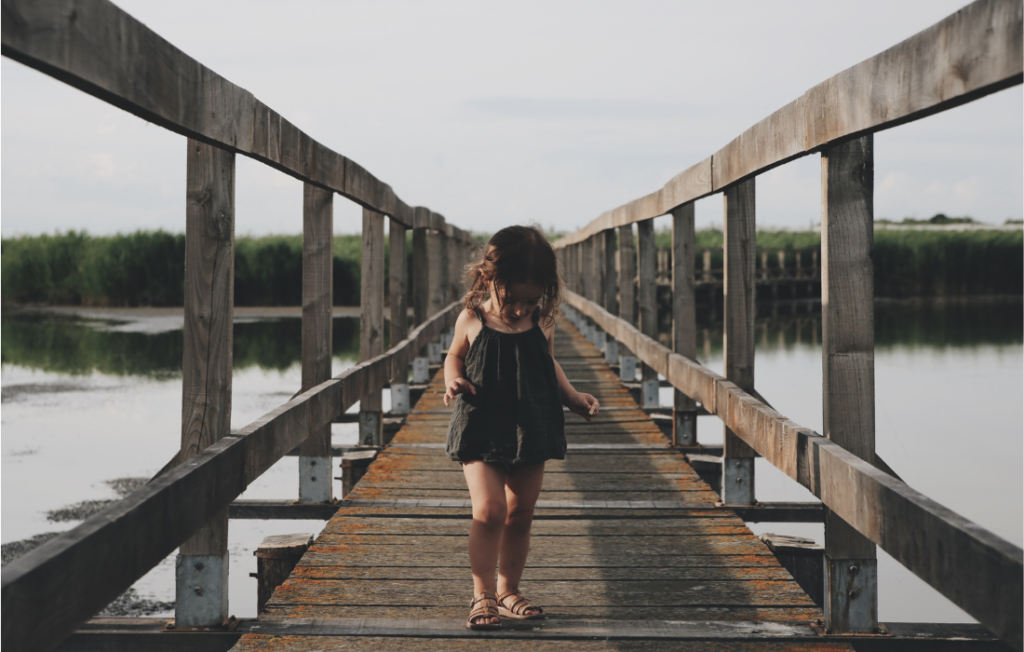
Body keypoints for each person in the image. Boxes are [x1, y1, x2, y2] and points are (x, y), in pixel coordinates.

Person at [443, 225, 599, 629]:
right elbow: (453, 357)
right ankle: (483, 595)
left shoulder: (542, 321)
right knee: (490, 510)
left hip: (532, 422)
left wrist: (574, 398)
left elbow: (547, 365)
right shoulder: (472, 318)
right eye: (513, 300)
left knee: (520, 512)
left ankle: (508, 589)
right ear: (489, 278)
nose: (520, 310)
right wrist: (453, 380)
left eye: (531, 301)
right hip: (480, 422)